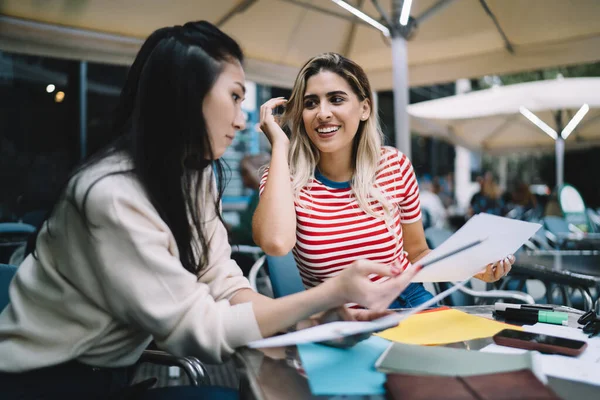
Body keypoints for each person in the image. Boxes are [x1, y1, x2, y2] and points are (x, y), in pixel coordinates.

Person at [0, 23, 421, 399]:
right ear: (188, 97)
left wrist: (311, 321)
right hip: (40, 381)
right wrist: (328, 297)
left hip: (114, 373)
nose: (242, 121)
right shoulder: (110, 195)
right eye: (235, 97)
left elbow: (220, 277)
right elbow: (198, 328)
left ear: (365, 109)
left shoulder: (193, 175)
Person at [253, 52, 514, 309]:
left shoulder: (394, 166)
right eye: (310, 103)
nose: (322, 113)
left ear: (364, 108)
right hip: (339, 323)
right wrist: (279, 145)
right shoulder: (283, 177)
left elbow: (417, 253)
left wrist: (472, 266)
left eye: (336, 99)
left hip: (408, 304)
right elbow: (275, 243)